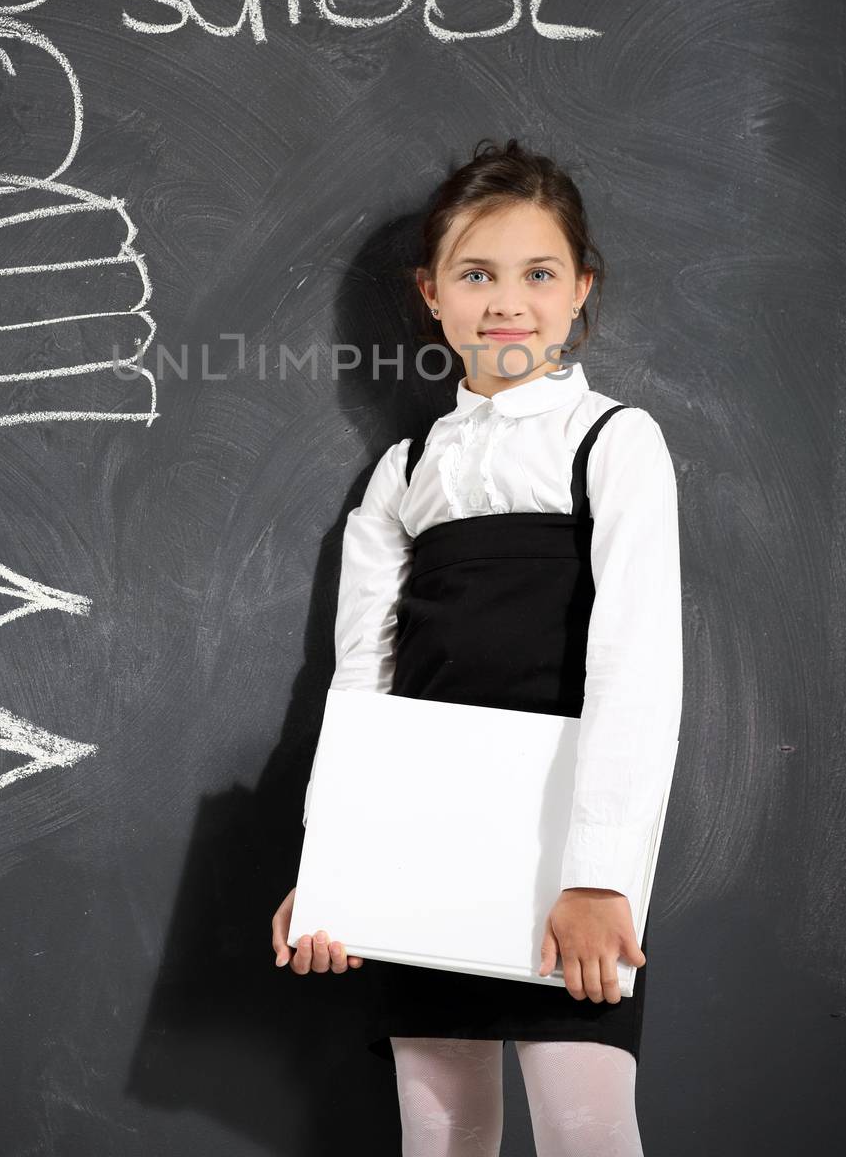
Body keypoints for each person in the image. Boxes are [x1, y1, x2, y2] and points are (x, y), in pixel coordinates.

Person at [271, 136, 684, 1157]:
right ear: (430, 293)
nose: (507, 300)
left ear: (580, 288)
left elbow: (636, 669)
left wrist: (600, 878)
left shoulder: (612, 440)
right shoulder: (401, 473)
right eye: (476, 273)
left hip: (564, 857)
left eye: (538, 273)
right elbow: (362, 687)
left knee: (586, 1129)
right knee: (440, 1132)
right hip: (422, 844)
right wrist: (333, 871)